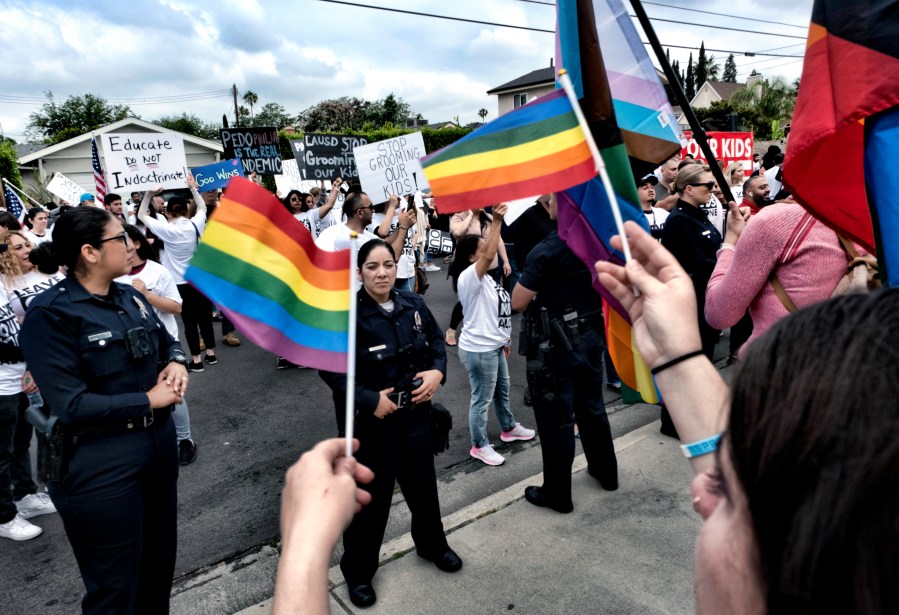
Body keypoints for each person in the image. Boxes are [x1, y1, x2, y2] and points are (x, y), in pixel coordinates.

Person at [596, 221, 898, 615]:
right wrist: (676, 356)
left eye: (735, 500)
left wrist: (730, 247)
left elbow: (720, 310)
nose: (701, 495)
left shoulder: (776, 223)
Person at [19, 207, 189, 614]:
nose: (132, 244)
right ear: (90, 251)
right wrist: (148, 399)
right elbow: (72, 404)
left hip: (156, 446)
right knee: (115, 586)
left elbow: (165, 342)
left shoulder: (130, 296)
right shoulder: (51, 314)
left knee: (158, 567)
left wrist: (177, 360)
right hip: (99, 463)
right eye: (120, 238)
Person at [319, 239, 461, 608]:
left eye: (388, 264)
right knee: (370, 503)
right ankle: (359, 573)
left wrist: (437, 374)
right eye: (372, 266)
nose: (382, 272)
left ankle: (432, 546)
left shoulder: (413, 302)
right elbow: (331, 369)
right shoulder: (347, 315)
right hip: (371, 425)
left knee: (423, 490)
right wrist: (370, 400)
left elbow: (435, 342)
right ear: (359, 272)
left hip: (415, 416)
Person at [511, 193, 618, 513]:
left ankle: (558, 494)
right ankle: (606, 472)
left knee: (558, 418)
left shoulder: (548, 248)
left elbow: (518, 301)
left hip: (558, 343)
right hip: (590, 333)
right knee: (592, 407)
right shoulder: (595, 239)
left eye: (553, 199)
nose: (548, 202)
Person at [705, 200, 868, 354]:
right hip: (853, 363)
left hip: (781, 365)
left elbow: (719, 315)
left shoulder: (777, 220)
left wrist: (730, 242)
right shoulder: (880, 215)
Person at [450, 203, 535, 466]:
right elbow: (488, 255)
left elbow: (498, 312)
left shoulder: (488, 278)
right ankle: (479, 446)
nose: (489, 251)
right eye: (482, 248)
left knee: (502, 391)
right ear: (472, 257)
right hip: (479, 349)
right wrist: (496, 220)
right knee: (482, 398)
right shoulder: (469, 278)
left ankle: (508, 428)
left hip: (494, 346)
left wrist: (504, 338)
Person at [117, 224, 198, 465]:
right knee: (142, 395)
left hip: (163, 345)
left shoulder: (157, 271)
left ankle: (184, 440)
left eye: (124, 241)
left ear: (136, 243)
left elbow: (176, 307)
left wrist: (147, 295)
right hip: (128, 349)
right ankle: (147, 443)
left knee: (173, 392)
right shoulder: (114, 275)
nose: (122, 248)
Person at [138, 175, 215, 372]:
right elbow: (203, 207)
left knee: (189, 321)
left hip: (180, 283)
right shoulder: (195, 224)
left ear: (169, 211)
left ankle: (196, 360)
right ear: (183, 209)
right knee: (205, 317)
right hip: (200, 279)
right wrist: (193, 189)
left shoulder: (166, 230)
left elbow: (141, 216)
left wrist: (148, 194)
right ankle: (211, 355)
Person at [661, 164, 724, 359]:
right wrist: (728, 268)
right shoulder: (679, 219)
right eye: (708, 184)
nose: (713, 189)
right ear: (689, 189)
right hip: (693, 298)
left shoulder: (697, 213)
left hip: (706, 292)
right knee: (700, 353)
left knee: (708, 346)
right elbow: (696, 261)